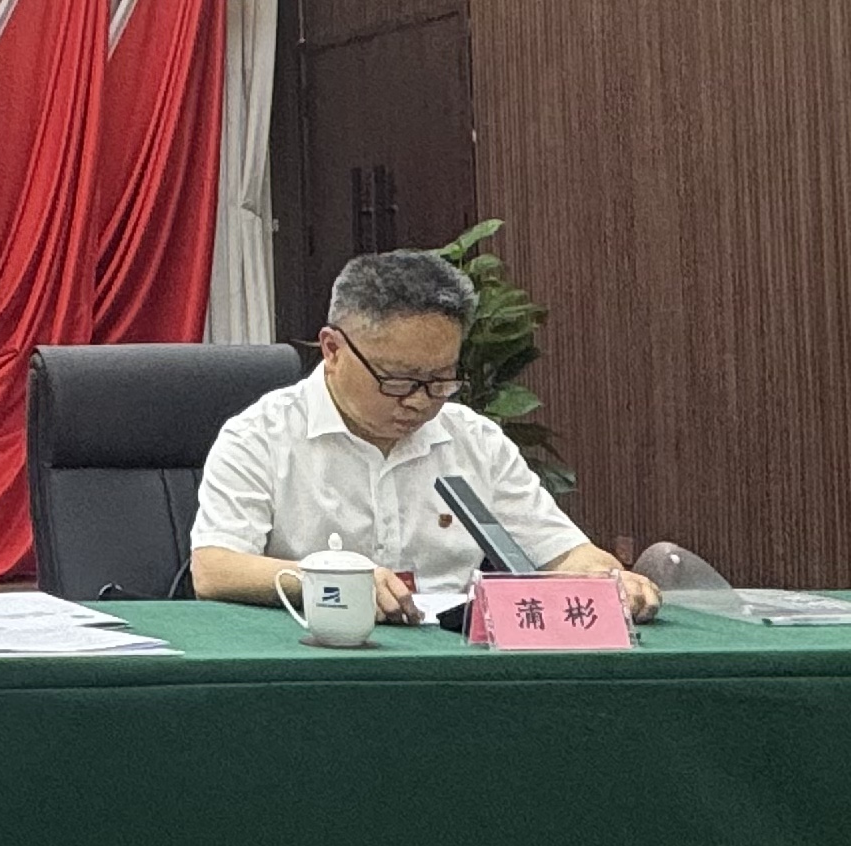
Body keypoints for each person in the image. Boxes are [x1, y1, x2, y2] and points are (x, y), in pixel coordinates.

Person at [190, 249, 657, 621]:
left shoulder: (473, 440)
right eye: (397, 379)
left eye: (440, 379)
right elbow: (214, 569)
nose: (419, 401)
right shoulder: (261, 435)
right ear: (333, 350)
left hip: (454, 663)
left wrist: (605, 576)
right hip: (315, 657)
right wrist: (332, 579)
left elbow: (561, 553)